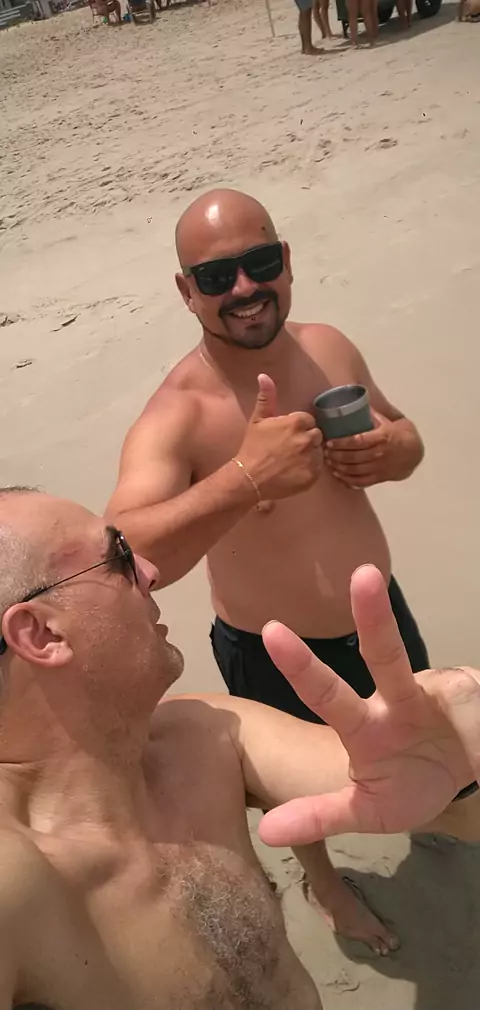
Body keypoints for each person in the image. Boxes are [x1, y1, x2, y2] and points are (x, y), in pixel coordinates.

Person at [1, 486, 480, 1010]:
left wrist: (459, 776)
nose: (151, 570)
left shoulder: (206, 735)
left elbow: (445, 812)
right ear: (41, 633)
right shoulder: (17, 883)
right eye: (117, 555)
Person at [107, 187, 427, 954]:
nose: (244, 288)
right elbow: (121, 552)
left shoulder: (329, 349)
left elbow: (405, 435)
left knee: (423, 750)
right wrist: (245, 479)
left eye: (258, 263)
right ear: (187, 291)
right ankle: (325, 884)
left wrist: (394, 450)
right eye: (217, 277)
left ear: (284, 260)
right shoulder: (180, 412)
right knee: (298, 804)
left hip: (380, 619)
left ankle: (432, 821)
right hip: (272, 650)